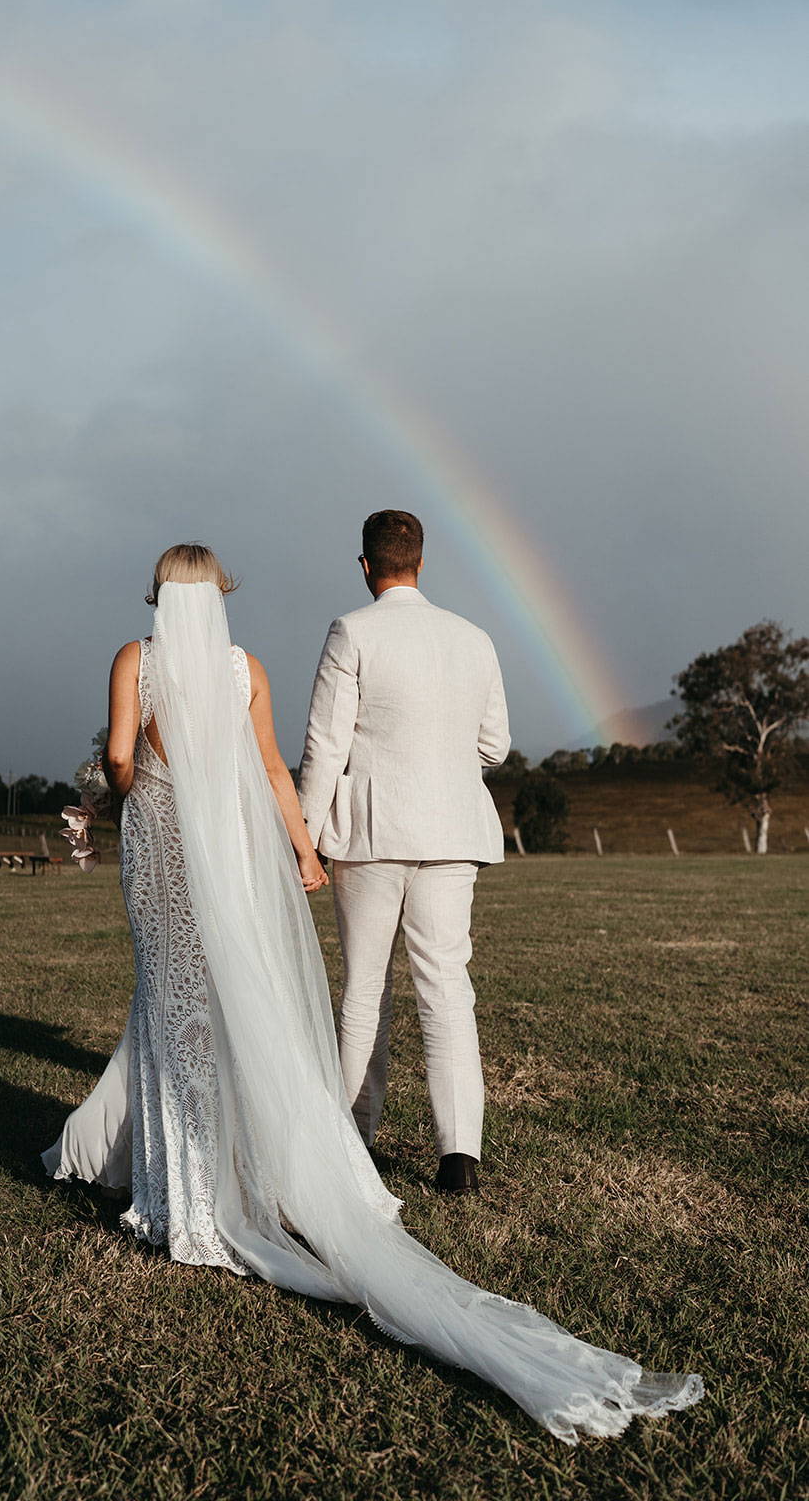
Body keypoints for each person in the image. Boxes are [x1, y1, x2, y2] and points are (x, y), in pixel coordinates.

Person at [42, 542, 703, 1444]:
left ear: (161, 595)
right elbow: (284, 766)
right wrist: (300, 851)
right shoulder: (259, 666)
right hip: (318, 841)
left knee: (199, 1003)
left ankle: (203, 1187)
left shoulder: (146, 658)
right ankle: (404, 1152)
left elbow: (127, 761)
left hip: (183, 843)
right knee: (397, 995)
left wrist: (116, 784)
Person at [297, 509, 507, 1195]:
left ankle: (353, 1139)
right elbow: (493, 746)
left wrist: (302, 834)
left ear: (365, 566)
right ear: (420, 561)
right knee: (446, 988)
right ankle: (459, 1158)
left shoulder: (352, 631)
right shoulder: (472, 637)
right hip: (452, 830)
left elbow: (325, 746)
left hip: (371, 832)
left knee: (364, 987)